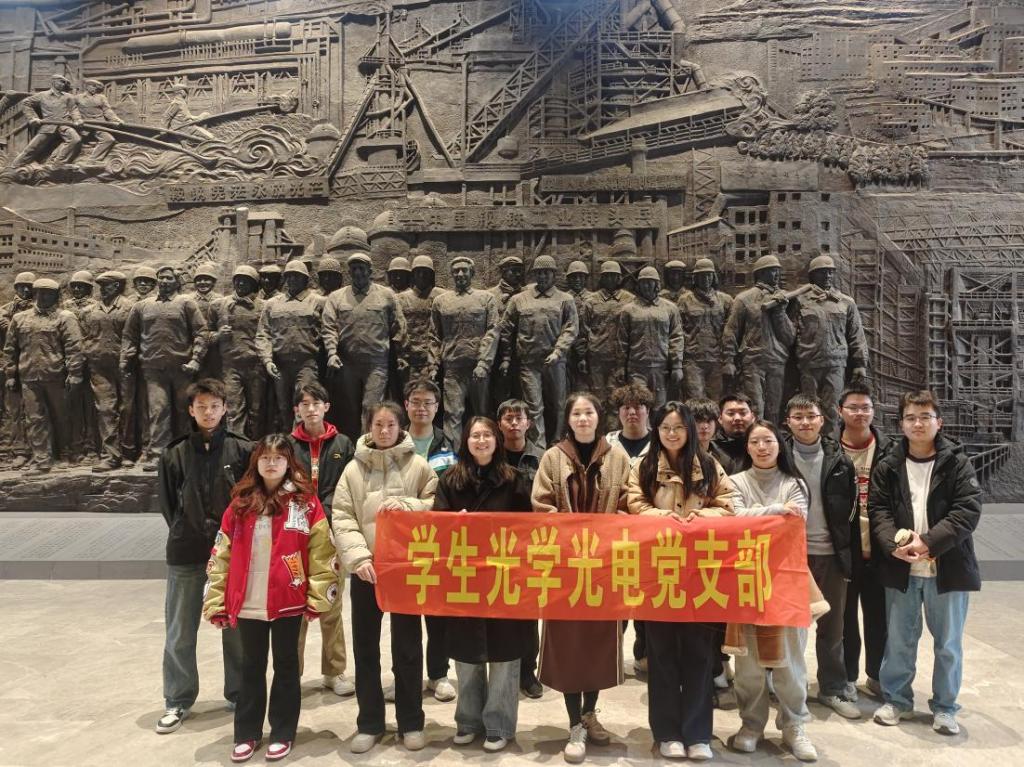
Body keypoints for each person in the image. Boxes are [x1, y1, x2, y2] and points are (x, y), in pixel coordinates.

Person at [203, 435, 336, 763]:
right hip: (248, 600)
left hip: (288, 598)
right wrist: (216, 600)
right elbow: (221, 554)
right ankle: (246, 733)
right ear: (257, 462)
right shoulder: (240, 504)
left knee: (287, 664)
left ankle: (282, 731)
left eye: (279, 458)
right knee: (251, 666)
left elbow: (321, 552)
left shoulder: (306, 503)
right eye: (265, 457)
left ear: (289, 462)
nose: (272, 463)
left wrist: (318, 596)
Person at [869, 390, 982, 736]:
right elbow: (878, 511)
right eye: (910, 418)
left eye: (925, 417)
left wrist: (928, 542)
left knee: (947, 643)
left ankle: (945, 707)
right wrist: (893, 545)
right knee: (899, 639)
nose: (918, 424)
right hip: (901, 567)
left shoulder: (957, 463)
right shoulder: (888, 465)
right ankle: (897, 700)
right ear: (901, 424)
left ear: (939, 422)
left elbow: (967, 510)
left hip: (945, 566)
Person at [626, 402, 735, 761]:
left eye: (679, 427)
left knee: (700, 654)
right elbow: (634, 505)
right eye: (665, 428)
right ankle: (667, 732)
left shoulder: (709, 465)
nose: (672, 434)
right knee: (661, 654)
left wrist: (700, 518)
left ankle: (698, 733)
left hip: (702, 573)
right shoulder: (643, 467)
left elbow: (728, 505)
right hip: (659, 571)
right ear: (656, 431)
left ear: (689, 430)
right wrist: (664, 518)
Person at [332, 401, 438, 754]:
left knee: (408, 648)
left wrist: (409, 505)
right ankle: (370, 723)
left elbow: (435, 503)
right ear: (369, 427)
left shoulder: (418, 466)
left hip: (406, 571)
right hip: (367, 572)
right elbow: (342, 516)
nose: (384, 430)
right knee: (365, 649)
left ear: (400, 427)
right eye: (378, 424)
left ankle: (411, 722)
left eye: (391, 424)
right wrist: (359, 557)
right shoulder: (352, 470)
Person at [532, 392, 631, 764]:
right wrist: (569, 533)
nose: (583, 418)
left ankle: (590, 714)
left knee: (598, 645)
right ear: (568, 419)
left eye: (589, 412)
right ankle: (574, 722)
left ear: (598, 417)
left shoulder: (618, 457)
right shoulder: (553, 457)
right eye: (577, 413)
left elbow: (628, 502)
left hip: (604, 567)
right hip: (565, 568)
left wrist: (609, 531)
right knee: (568, 646)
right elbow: (541, 504)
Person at [154, 379, 252, 735]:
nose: (208, 412)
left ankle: (240, 694)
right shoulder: (174, 453)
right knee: (180, 630)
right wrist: (186, 526)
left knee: (236, 629)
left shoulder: (243, 450)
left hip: (232, 552)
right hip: (187, 550)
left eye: (214, 406)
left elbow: (251, 500)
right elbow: (168, 505)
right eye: (201, 406)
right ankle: (178, 699)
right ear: (191, 410)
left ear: (225, 408)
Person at [434, 417, 534, 752]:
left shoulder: (515, 480)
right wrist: (455, 525)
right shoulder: (450, 479)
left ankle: (499, 724)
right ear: (465, 441)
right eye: (475, 435)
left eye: (487, 435)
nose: (481, 440)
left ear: (497, 440)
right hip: (464, 579)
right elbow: (436, 527)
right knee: (467, 655)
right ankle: (468, 721)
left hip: (504, 579)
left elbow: (529, 529)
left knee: (505, 656)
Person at [727, 420, 817, 762]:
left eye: (768, 441)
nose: (762, 447)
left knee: (790, 661)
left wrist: (760, 518)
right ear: (747, 447)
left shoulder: (795, 483)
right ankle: (751, 725)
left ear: (780, 445)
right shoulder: (735, 482)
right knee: (748, 662)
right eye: (755, 442)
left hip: (785, 580)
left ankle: (795, 725)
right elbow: (736, 519)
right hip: (746, 579)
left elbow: (795, 522)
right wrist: (777, 510)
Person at [783, 394, 860, 719]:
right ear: (788, 421)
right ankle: (787, 688)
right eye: (798, 417)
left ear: (822, 420)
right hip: (789, 557)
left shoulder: (839, 459)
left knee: (832, 626)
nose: (805, 422)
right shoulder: (777, 454)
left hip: (829, 553)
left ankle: (832, 688)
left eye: (810, 416)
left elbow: (852, 510)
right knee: (788, 627)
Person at [288, 381, 355, 698]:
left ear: (326, 407)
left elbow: (348, 486)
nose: (311, 409)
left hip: (331, 533)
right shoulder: (287, 445)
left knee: (331, 604)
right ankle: (291, 672)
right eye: (305, 404)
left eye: (316, 403)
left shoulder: (343, 443)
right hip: (295, 534)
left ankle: (334, 670)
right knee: (294, 607)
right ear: (296, 410)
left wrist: (327, 516)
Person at [120, 265, 208, 470]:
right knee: (158, 411)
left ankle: (186, 454)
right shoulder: (143, 306)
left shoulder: (186, 303)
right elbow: (129, 335)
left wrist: (196, 359)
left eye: (169, 278)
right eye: (161, 278)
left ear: (177, 281)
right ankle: (158, 454)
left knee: (185, 411)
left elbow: (201, 332)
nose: (164, 281)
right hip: (153, 369)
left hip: (182, 368)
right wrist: (126, 359)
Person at [402, 380, 457, 703]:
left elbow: (452, 490)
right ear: (406, 405)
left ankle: (438, 674)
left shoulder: (447, 444)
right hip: (401, 540)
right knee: (405, 615)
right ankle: (407, 677)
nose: (421, 408)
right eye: (416, 401)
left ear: (437, 408)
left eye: (428, 403)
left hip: (437, 540)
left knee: (438, 612)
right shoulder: (394, 441)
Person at [837, 382, 892, 698]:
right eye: (853, 407)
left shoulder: (890, 450)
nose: (860, 413)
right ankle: (847, 677)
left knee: (879, 619)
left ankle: (877, 675)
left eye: (865, 408)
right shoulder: (830, 451)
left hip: (881, 548)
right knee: (844, 620)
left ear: (874, 411)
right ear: (840, 411)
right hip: (845, 549)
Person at [3, 278, 84, 475]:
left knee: (62, 416)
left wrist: (74, 373)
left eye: (49, 293)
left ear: (56, 296)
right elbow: (10, 349)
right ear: (34, 294)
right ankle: (42, 460)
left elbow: (74, 348)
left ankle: (65, 454)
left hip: (56, 376)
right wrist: (11, 374)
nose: (44, 296)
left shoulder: (65, 317)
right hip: (29, 376)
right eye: (40, 292)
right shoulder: (20, 318)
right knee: (34, 419)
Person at [322, 253, 406, 441]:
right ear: (349, 272)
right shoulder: (336, 297)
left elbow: (398, 327)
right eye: (354, 269)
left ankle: (367, 447)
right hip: (347, 364)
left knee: (371, 407)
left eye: (362, 268)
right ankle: (350, 448)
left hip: (376, 364)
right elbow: (329, 327)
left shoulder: (386, 295)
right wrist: (332, 353)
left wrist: (399, 355)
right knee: (349, 409)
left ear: (370, 271)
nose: (358, 272)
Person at [499, 255, 578, 447]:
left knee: (559, 404)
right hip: (529, 363)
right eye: (539, 273)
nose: (542, 276)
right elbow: (506, 329)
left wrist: (558, 351)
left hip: (556, 361)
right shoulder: (519, 299)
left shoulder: (565, 299)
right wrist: (507, 357)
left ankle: (559, 442)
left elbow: (571, 328)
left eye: (546, 273)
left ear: (553, 274)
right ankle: (538, 446)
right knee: (534, 407)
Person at [494, 398, 544, 698]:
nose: (514, 423)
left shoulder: (542, 458)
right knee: (498, 611)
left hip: (530, 547)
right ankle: (501, 672)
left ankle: (528, 672)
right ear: (499, 424)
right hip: (495, 547)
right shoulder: (490, 455)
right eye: (508, 418)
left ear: (529, 423)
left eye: (519, 418)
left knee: (528, 612)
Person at [790, 255, 869, 436]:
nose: (827, 276)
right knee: (809, 410)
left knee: (832, 410)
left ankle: (831, 444)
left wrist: (860, 364)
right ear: (813, 275)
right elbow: (790, 334)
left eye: (830, 272)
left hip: (835, 364)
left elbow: (856, 334)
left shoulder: (846, 302)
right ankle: (809, 443)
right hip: (808, 364)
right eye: (822, 272)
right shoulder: (800, 301)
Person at [428, 256, 499, 448]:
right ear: (451, 274)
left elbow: (493, 331)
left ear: (472, 273)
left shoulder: (486, 299)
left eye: (464, 270)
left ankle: (484, 454)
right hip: (452, 369)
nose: (460, 274)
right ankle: (453, 457)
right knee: (452, 414)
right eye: (456, 271)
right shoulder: (441, 301)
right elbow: (434, 336)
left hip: (479, 369)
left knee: (482, 414)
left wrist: (484, 363)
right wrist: (433, 365)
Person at [721, 255, 795, 422]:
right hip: (753, 362)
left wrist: (780, 312)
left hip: (777, 361)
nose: (776, 275)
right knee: (755, 408)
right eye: (772, 271)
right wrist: (728, 361)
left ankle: (771, 437)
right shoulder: (744, 299)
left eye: (778, 271)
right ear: (760, 274)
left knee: (774, 409)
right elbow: (731, 331)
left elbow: (789, 338)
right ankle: (754, 437)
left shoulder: (786, 299)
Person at [255, 260, 324, 432]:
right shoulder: (272, 304)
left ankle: (303, 442)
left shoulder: (318, 301)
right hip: (280, 364)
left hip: (306, 364)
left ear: (305, 279)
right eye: (289, 276)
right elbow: (263, 334)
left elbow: (328, 330)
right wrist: (267, 361)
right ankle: (289, 441)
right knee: (284, 408)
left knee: (305, 404)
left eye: (297, 276)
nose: (292, 279)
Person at [80, 270, 133, 471]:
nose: (102, 289)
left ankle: (128, 452)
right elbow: (84, 337)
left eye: (107, 285)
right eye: (101, 286)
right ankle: (110, 456)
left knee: (127, 409)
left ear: (117, 286)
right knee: (105, 409)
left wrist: (128, 358)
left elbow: (135, 336)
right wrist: (89, 353)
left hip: (126, 366)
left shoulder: (130, 308)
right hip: (99, 367)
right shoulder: (90, 311)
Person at [209, 266, 266, 439]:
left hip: (256, 366)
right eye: (238, 280)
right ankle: (236, 446)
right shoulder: (218, 305)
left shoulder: (263, 306)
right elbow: (205, 335)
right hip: (230, 366)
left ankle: (255, 445)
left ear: (253, 284)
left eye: (246, 281)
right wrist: (218, 335)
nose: (240, 284)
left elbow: (269, 334)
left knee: (257, 410)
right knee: (234, 410)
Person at [617, 266, 684, 408]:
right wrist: (620, 367)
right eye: (643, 283)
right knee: (639, 405)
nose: (646, 286)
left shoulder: (670, 308)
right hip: (637, 368)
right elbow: (622, 341)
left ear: (657, 284)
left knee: (660, 407)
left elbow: (676, 338)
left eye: (650, 282)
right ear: (638, 285)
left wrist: (677, 366)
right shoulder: (628, 310)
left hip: (661, 368)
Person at [577, 261, 630, 410]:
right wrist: (582, 357)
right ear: (602, 278)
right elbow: (582, 332)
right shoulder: (591, 301)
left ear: (619, 278)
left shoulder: (629, 300)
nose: (611, 279)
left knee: (616, 399)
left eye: (614, 276)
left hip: (619, 359)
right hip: (596, 358)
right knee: (598, 399)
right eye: (607, 276)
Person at [678, 258, 733, 403]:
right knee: (695, 401)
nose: (706, 279)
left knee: (716, 401)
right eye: (702, 275)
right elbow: (678, 331)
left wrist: (729, 360)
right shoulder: (684, 300)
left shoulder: (725, 300)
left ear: (714, 277)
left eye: (709, 275)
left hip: (717, 359)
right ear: (695, 278)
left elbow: (731, 332)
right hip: (693, 360)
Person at [396, 254, 447, 391]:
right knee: (410, 394)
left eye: (426, 272)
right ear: (413, 275)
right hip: (409, 359)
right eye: (418, 272)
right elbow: (397, 330)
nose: (422, 276)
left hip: (436, 359)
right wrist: (400, 356)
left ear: (432, 275)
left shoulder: (442, 296)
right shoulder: (401, 299)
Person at [605, 382, 654, 466]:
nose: (632, 412)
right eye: (626, 408)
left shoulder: (660, 442)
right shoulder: (607, 444)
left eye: (637, 407)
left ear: (647, 411)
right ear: (618, 412)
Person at [710, 394, 755, 475]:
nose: (737, 418)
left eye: (743, 413)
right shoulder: (709, 447)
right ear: (720, 419)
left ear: (752, 417)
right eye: (731, 413)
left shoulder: (762, 444)